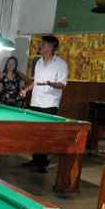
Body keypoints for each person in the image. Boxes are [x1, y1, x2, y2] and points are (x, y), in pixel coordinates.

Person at [19, 35, 69, 173]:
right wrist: (25, 90)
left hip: (50, 103)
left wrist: (49, 83)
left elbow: (62, 85)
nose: (41, 46)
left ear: (51, 48)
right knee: (35, 132)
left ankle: (43, 163)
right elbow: (36, 81)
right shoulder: (39, 61)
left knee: (45, 133)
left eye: (43, 44)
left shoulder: (61, 64)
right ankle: (36, 160)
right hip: (36, 100)